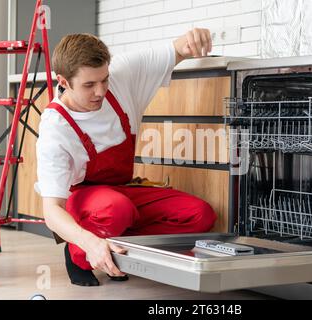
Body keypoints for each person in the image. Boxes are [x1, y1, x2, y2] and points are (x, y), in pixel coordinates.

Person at [35, 28, 217, 286]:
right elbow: (52, 211)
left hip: (123, 192)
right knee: (115, 209)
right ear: (63, 82)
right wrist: (87, 240)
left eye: (104, 80)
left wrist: (193, 38)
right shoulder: (55, 128)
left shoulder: (122, 75)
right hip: (85, 200)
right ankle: (78, 253)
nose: (100, 91)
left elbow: (176, 49)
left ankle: (116, 245)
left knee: (200, 215)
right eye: (89, 85)